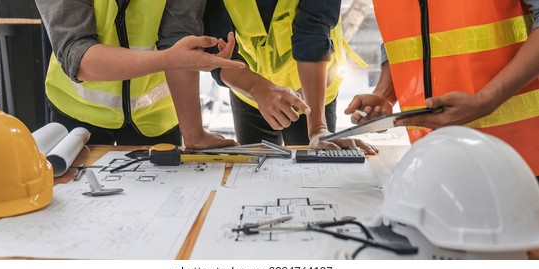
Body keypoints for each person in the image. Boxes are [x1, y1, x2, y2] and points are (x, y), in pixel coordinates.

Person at [346, 0, 539, 178]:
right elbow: (405, 33)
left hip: (522, 156)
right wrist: (385, 94)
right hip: (435, 159)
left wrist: (487, 99)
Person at [35, 0, 244, 148]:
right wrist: (169, 59)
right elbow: (78, 56)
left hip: (154, 115)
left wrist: (194, 134)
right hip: (78, 112)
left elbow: (180, 38)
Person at [203, 0, 378, 154]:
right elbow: (218, 50)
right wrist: (255, 88)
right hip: (249, 87)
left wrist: (318, 128)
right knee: (256, 174)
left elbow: (313, 36)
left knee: (313, 171)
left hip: (313, 89)